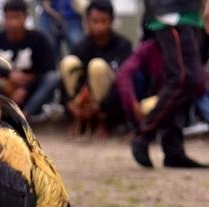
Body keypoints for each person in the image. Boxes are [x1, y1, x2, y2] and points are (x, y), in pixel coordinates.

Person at [129, 0, 208, 168]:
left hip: (189, 13)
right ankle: (143, 134)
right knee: (184, 78)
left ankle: (173, 150)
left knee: (185, 80)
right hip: (170, 13)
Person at [60, 0, 132, 136]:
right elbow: (65, 78)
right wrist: (70, 103)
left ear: (111, 21)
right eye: (95, 21)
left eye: (103, 21)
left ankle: (103, 122)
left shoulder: (123, 46)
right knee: (68, 62)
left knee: (97, 66)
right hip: (85, 101)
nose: (99, 26)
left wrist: (102, 107)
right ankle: (77, 119)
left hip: (110, 106)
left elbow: (124, 82)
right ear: (87, 22)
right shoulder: (82, 46)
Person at [0, 0, 59, 118]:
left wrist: (26, 89)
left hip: (30, 93)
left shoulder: (39, 39)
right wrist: (7, 76)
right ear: (4, 18)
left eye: (17, 17)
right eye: (9, 18)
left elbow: (48, 68)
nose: (14, 23)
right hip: (3, 90)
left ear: (26, 17)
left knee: (52, 78)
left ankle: (25, 115)